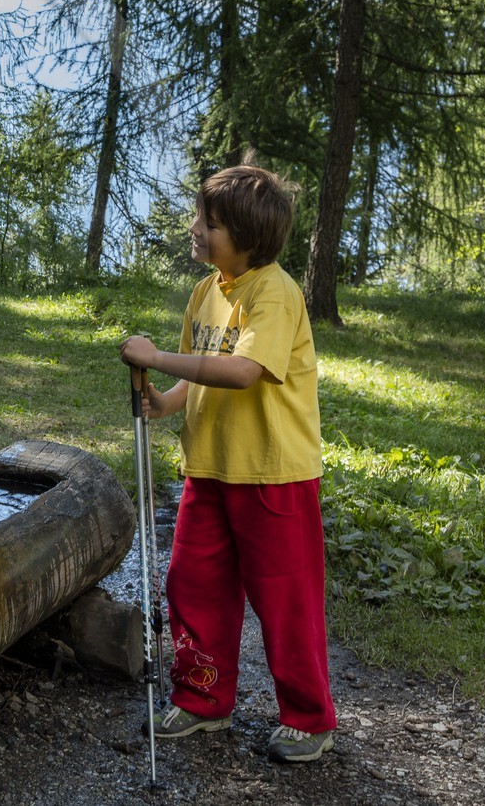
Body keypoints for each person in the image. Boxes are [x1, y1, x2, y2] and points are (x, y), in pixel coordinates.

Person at [118, 164, 336, 764]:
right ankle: (202, 698)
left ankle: (309, 717)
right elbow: (202, 364)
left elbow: (243, 370)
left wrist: (158, 356)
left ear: (245, 234)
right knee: (194, 585)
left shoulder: (276, 293)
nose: (195, 229)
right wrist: (164, 401)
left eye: (207, 223)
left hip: (273, 475)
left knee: (284, 600)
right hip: (209, 469)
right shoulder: (207, 289)